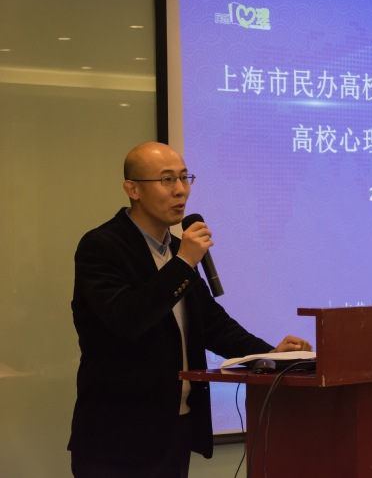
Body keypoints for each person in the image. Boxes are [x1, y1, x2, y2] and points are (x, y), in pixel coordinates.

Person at [68, 142, 311, 477]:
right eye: (167, 179)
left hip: (174, 430)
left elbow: (212, 325)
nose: (180, 190)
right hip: (117, 437)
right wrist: (183, 263)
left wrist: (268, 355)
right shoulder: (102, 247)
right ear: (133, 189)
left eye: (184, 177)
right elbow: (127, 319)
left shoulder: (177, 252)